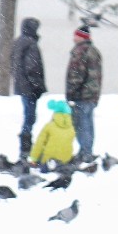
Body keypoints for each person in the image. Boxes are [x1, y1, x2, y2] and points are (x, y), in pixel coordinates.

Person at [11, 17, 46, 159]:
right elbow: (32, 67)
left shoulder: (18, 42)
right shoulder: (30, 44)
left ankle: (25, 146)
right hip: (30, 88)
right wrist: (37, 85)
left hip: (22, 86)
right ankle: (26, 148)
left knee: (28, 116)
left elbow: (14, 65)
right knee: (30, 118)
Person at [65, 27, 102, 160]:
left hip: (81, 94)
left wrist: (71, 92)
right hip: (92, 94)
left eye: (75, 36)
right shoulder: (94, 51)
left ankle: (85, 152)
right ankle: (88, 150)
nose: (73, 38)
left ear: (81, 37)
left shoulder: (80, 51)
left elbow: (76, 75)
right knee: (88, 123)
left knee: (81, 124)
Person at [29, 97, 75, 165]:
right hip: (65, 161)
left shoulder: (49, 126)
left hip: (48, 161)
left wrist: (34, 159)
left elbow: (39, 143)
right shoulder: (71, 128)